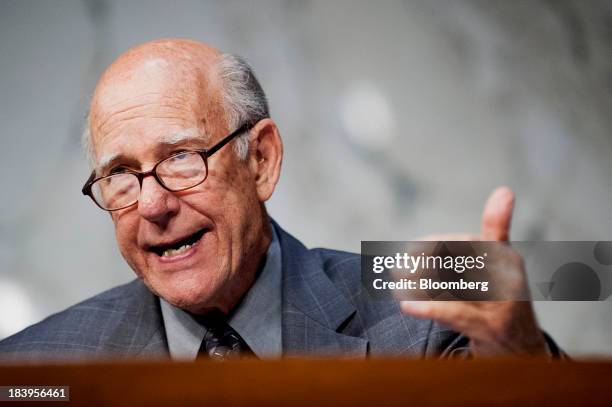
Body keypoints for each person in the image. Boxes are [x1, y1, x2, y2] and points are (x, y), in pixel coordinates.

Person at [0, 39, 561, 361]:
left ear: (261, 160)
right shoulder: (34, 366)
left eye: (179, 158)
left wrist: (520, 360)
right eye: (121, 174)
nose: (152, 206)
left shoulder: (420, 305)